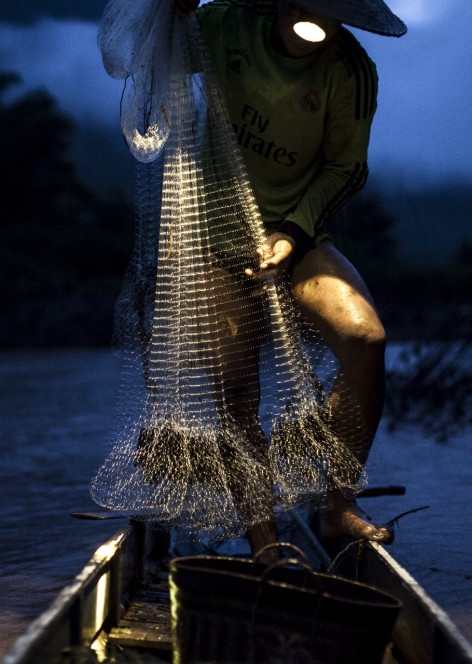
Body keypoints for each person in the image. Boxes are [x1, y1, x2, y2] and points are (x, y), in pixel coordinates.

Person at [169, 0, 407, 553]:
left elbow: (347, 168)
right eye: (307, 9)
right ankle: (265, 542)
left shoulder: (350, 70)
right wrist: (171, 14)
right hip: (213, 237)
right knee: (236, 392)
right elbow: (153, 58)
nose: (318, 25)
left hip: (295, 235)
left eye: (333, 14)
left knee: (365, 338)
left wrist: (294, 234)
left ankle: (338, 505)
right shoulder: (225, 25)